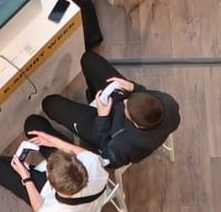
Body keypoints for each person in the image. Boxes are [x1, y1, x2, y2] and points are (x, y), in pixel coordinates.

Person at [41, 51, 180, 168]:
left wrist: (102, 117)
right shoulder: (168, 103)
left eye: (127, 107)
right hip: (118, 111)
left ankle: (94, 104)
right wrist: (133, 87)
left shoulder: (123, 144)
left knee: (50, 104)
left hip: (102, 129)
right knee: (89, 59)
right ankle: (93, 95)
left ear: (136, 124)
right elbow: (146, 93)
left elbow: (107, 159)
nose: (125, 101)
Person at [0, 115, 110, 212]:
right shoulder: (92, 162)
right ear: (76, 162)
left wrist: (26, 177)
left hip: (63, 207)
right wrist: (51, 140)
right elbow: (77, 151)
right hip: (94, 195)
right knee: (33, 123)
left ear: (51, 184)